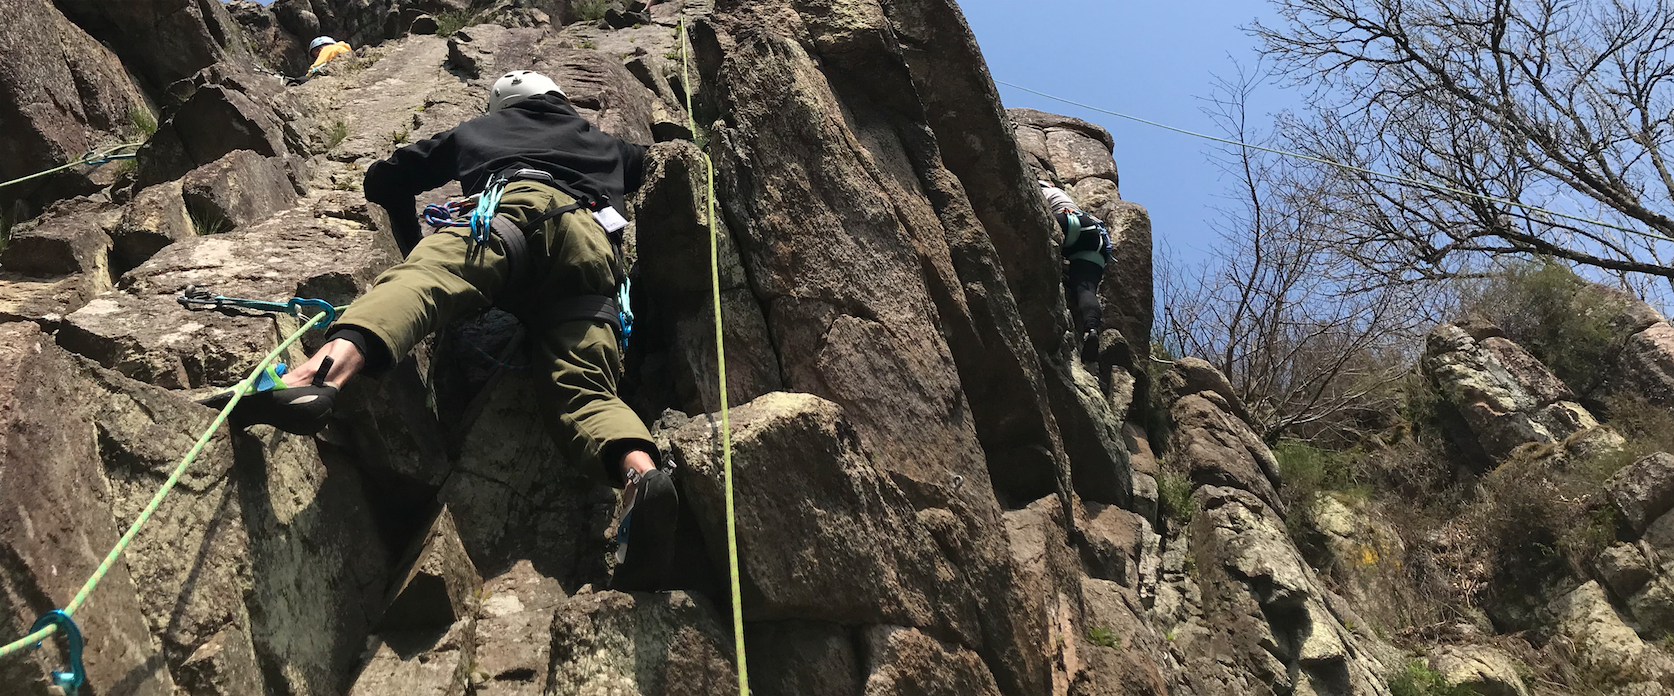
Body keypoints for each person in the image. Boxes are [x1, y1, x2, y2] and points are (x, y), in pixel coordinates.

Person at [204, 70, 677, 592]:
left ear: (504, 105)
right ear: (559, 100)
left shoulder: (476, 131)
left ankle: (317, 377)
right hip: (590, 247)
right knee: (584, 387)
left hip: (505, 217)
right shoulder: (604, 143)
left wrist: (411, 245)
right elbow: (667, 164)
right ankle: (640, 474)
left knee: (420, 282)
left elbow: (385, 179)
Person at [1040, 179, 1112, 363]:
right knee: (1086, 290)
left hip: (1070, 222)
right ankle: (1092, 330)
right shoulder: (1060, 194)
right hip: (1098, 241)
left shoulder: (1043, 189)